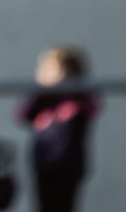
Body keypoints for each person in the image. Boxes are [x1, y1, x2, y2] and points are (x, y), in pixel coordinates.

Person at [16, 46, 99, 212]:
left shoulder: (79, 97)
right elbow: (23, 114)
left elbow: (93, 107)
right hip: (43, 163)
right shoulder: (43, 100)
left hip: (70, 165)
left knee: (65, 205)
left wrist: (74, 95)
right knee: (45, 206)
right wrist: (40, 90)